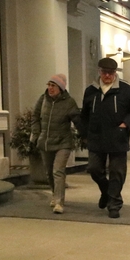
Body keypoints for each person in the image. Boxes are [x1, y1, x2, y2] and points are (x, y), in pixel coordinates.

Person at [80, 57, 130, 219]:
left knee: (117, 172)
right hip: (96, 138)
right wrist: (84, 134)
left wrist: (125, 125)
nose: (107, 76)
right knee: (94, 169)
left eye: (111, 73)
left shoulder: (126, 89)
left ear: (115, 73)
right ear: (99, 72)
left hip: (117, 138)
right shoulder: (91, 90)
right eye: (104, 72)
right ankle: (106, 191)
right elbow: (84, 115)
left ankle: (114, 204)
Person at [30, 73, 82, 214]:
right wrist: (36, 134)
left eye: (53, 86)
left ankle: (59, 202)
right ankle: (55, 194)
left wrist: (85, 134)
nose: (50, 88)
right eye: (49, 85)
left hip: (63, 142)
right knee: (49, 173)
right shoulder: (43, 99)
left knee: (58, 171)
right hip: (45, 142)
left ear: (61, 88)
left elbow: (78, 120)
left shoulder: (69, 102)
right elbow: (35, 117)